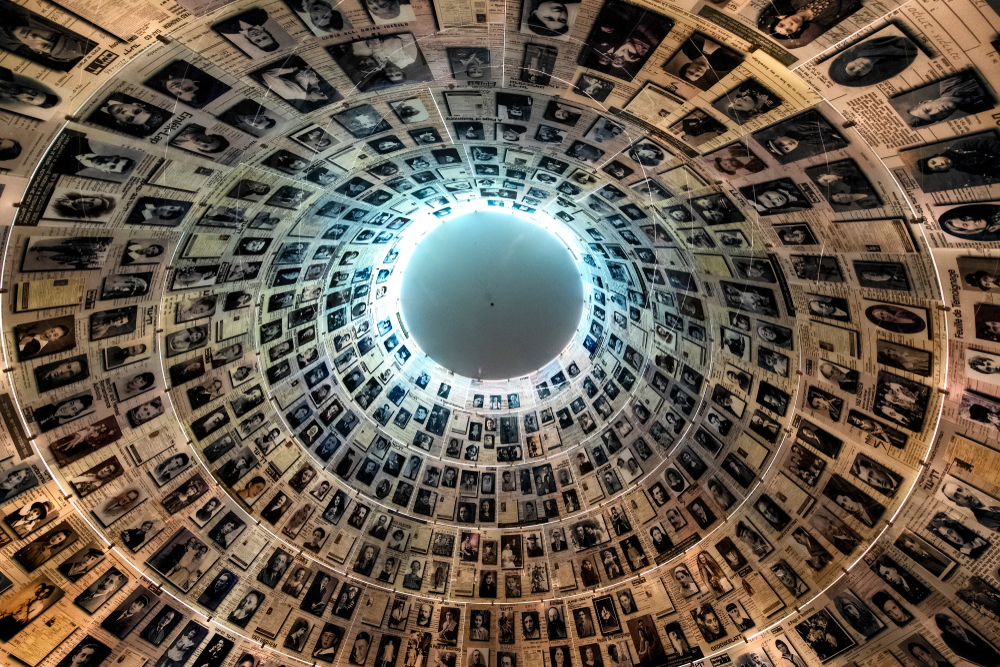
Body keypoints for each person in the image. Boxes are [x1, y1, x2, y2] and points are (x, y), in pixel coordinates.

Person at [828, 34, 920, 86]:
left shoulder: (866, 45)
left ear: (849, 62)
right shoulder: (890, 62)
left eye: (851, 68)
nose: (859, 68)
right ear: (866, 73)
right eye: (858, 73)